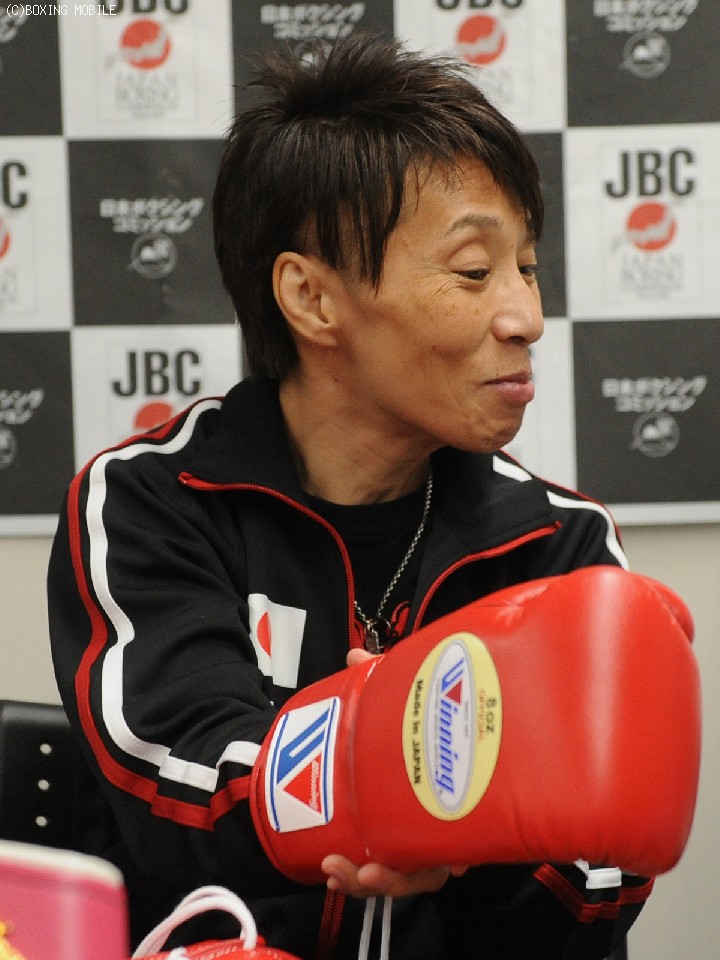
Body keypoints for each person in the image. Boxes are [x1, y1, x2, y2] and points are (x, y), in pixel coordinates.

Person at [48, 33, 653, 960]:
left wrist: (453, 844)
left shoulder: (560, 545)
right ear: (312, 299)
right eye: (474, 271)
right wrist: (390, 789)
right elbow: (182, 785)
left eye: (527, 268)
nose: (525, 316)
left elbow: (599, 883)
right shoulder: (149, 502)